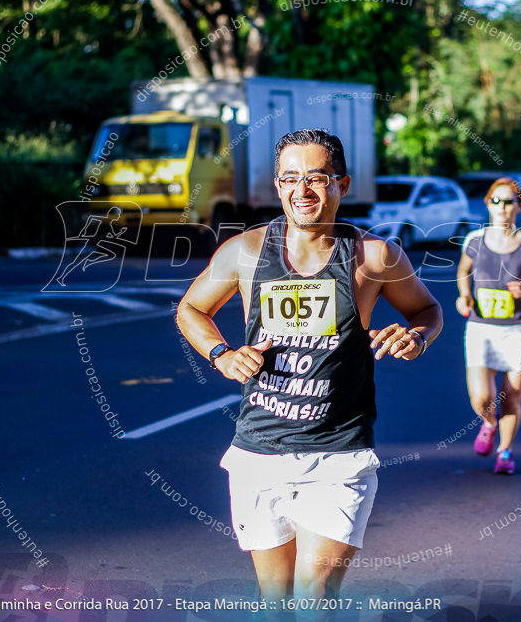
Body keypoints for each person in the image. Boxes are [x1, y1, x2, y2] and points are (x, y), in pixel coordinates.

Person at [176, 129, 443, 610]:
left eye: (316, 178)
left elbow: (428, 311)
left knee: (313, 597)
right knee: (275, 601)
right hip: (259, 452)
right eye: (290, 179)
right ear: (277, 186)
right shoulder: (246, 252)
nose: (302, 190)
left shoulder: (374, 256)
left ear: (342, 183)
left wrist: (417, 336)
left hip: (339, 455)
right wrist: (221, 354)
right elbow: (191, 310)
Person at [456, 177, 521, 474]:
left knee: (512, 397)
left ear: (519, 207)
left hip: (518, 330)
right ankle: (488, 422)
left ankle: (505, 452)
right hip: (481, 328)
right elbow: (463, 272)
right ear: (488, 204)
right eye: (496, 201)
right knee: (481, 396)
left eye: (509, 202)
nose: (502, 207)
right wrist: (464, 296)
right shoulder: (474, 241)